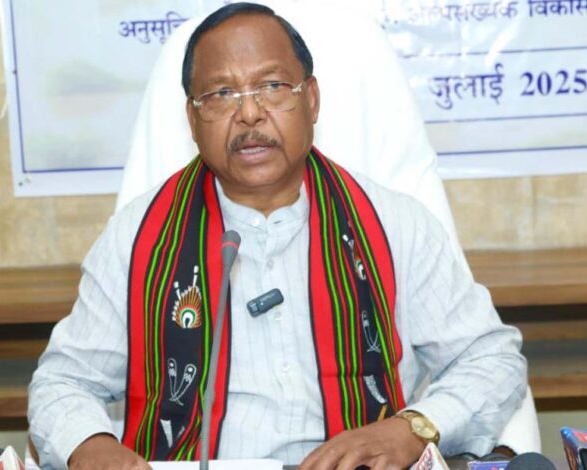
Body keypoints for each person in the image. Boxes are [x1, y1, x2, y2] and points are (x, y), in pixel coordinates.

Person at [28, 3, 527, 469]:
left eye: (271, 86)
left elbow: (490, 358)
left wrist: (413, 428)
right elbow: (63, 383)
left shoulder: (395, 225)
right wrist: (92, 448)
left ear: (311, 100)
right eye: (221, 94)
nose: (249, 115)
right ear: (193, 119)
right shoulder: (138, 240)